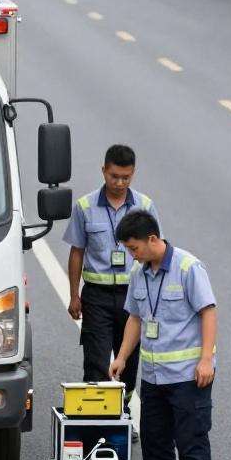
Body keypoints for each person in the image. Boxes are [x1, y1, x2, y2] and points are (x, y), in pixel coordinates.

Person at [110, 210, 217, 460]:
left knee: (191, 441)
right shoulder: (139, 273)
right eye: (129, 250)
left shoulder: (188, 268)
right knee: (155, 441)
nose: (132, 254)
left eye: (135, 248)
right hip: (154, 377)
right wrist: (123, 357)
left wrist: (206, 360)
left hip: (187, 376)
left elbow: (208, 313)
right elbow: (136, 319)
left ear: (152, 239)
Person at [63, 145, 159, 426]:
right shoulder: (84, 207)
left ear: (133, 175)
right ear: (103, 170)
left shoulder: (145, 206)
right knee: (95, 360)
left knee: (127, 361)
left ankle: (122, 413)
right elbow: (77, 251)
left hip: (133, 298)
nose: (119, 183)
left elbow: (155, 254)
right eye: (114, 176)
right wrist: (73, 295)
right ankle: (97, 419)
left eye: (126, 178)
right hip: (97, 296)